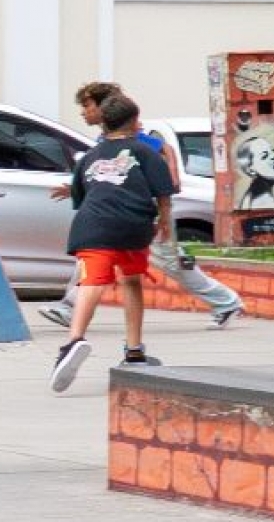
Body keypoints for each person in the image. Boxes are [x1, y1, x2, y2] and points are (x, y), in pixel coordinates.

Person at [41, 83, 239, 330]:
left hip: (145, 214)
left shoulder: (137, 139)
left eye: (87, 105)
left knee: (171, 263)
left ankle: (225, 301)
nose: (83, 112)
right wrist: (74, 189)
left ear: (104, 108)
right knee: (94, 253)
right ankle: (70, 306)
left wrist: (163, 211)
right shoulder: (104, 141)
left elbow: (160, 166)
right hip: (120, 216)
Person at [49, 92, 179, 392]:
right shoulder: (145, 151)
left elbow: (82, 195)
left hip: (94, 224)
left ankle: (74, 340)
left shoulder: (89, 156)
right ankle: (134, 351)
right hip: (134, 225)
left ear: (103, 123)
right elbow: (164, 191)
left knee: (92, 282)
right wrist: (164, 221)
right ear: (134, 121)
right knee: (131, 281)